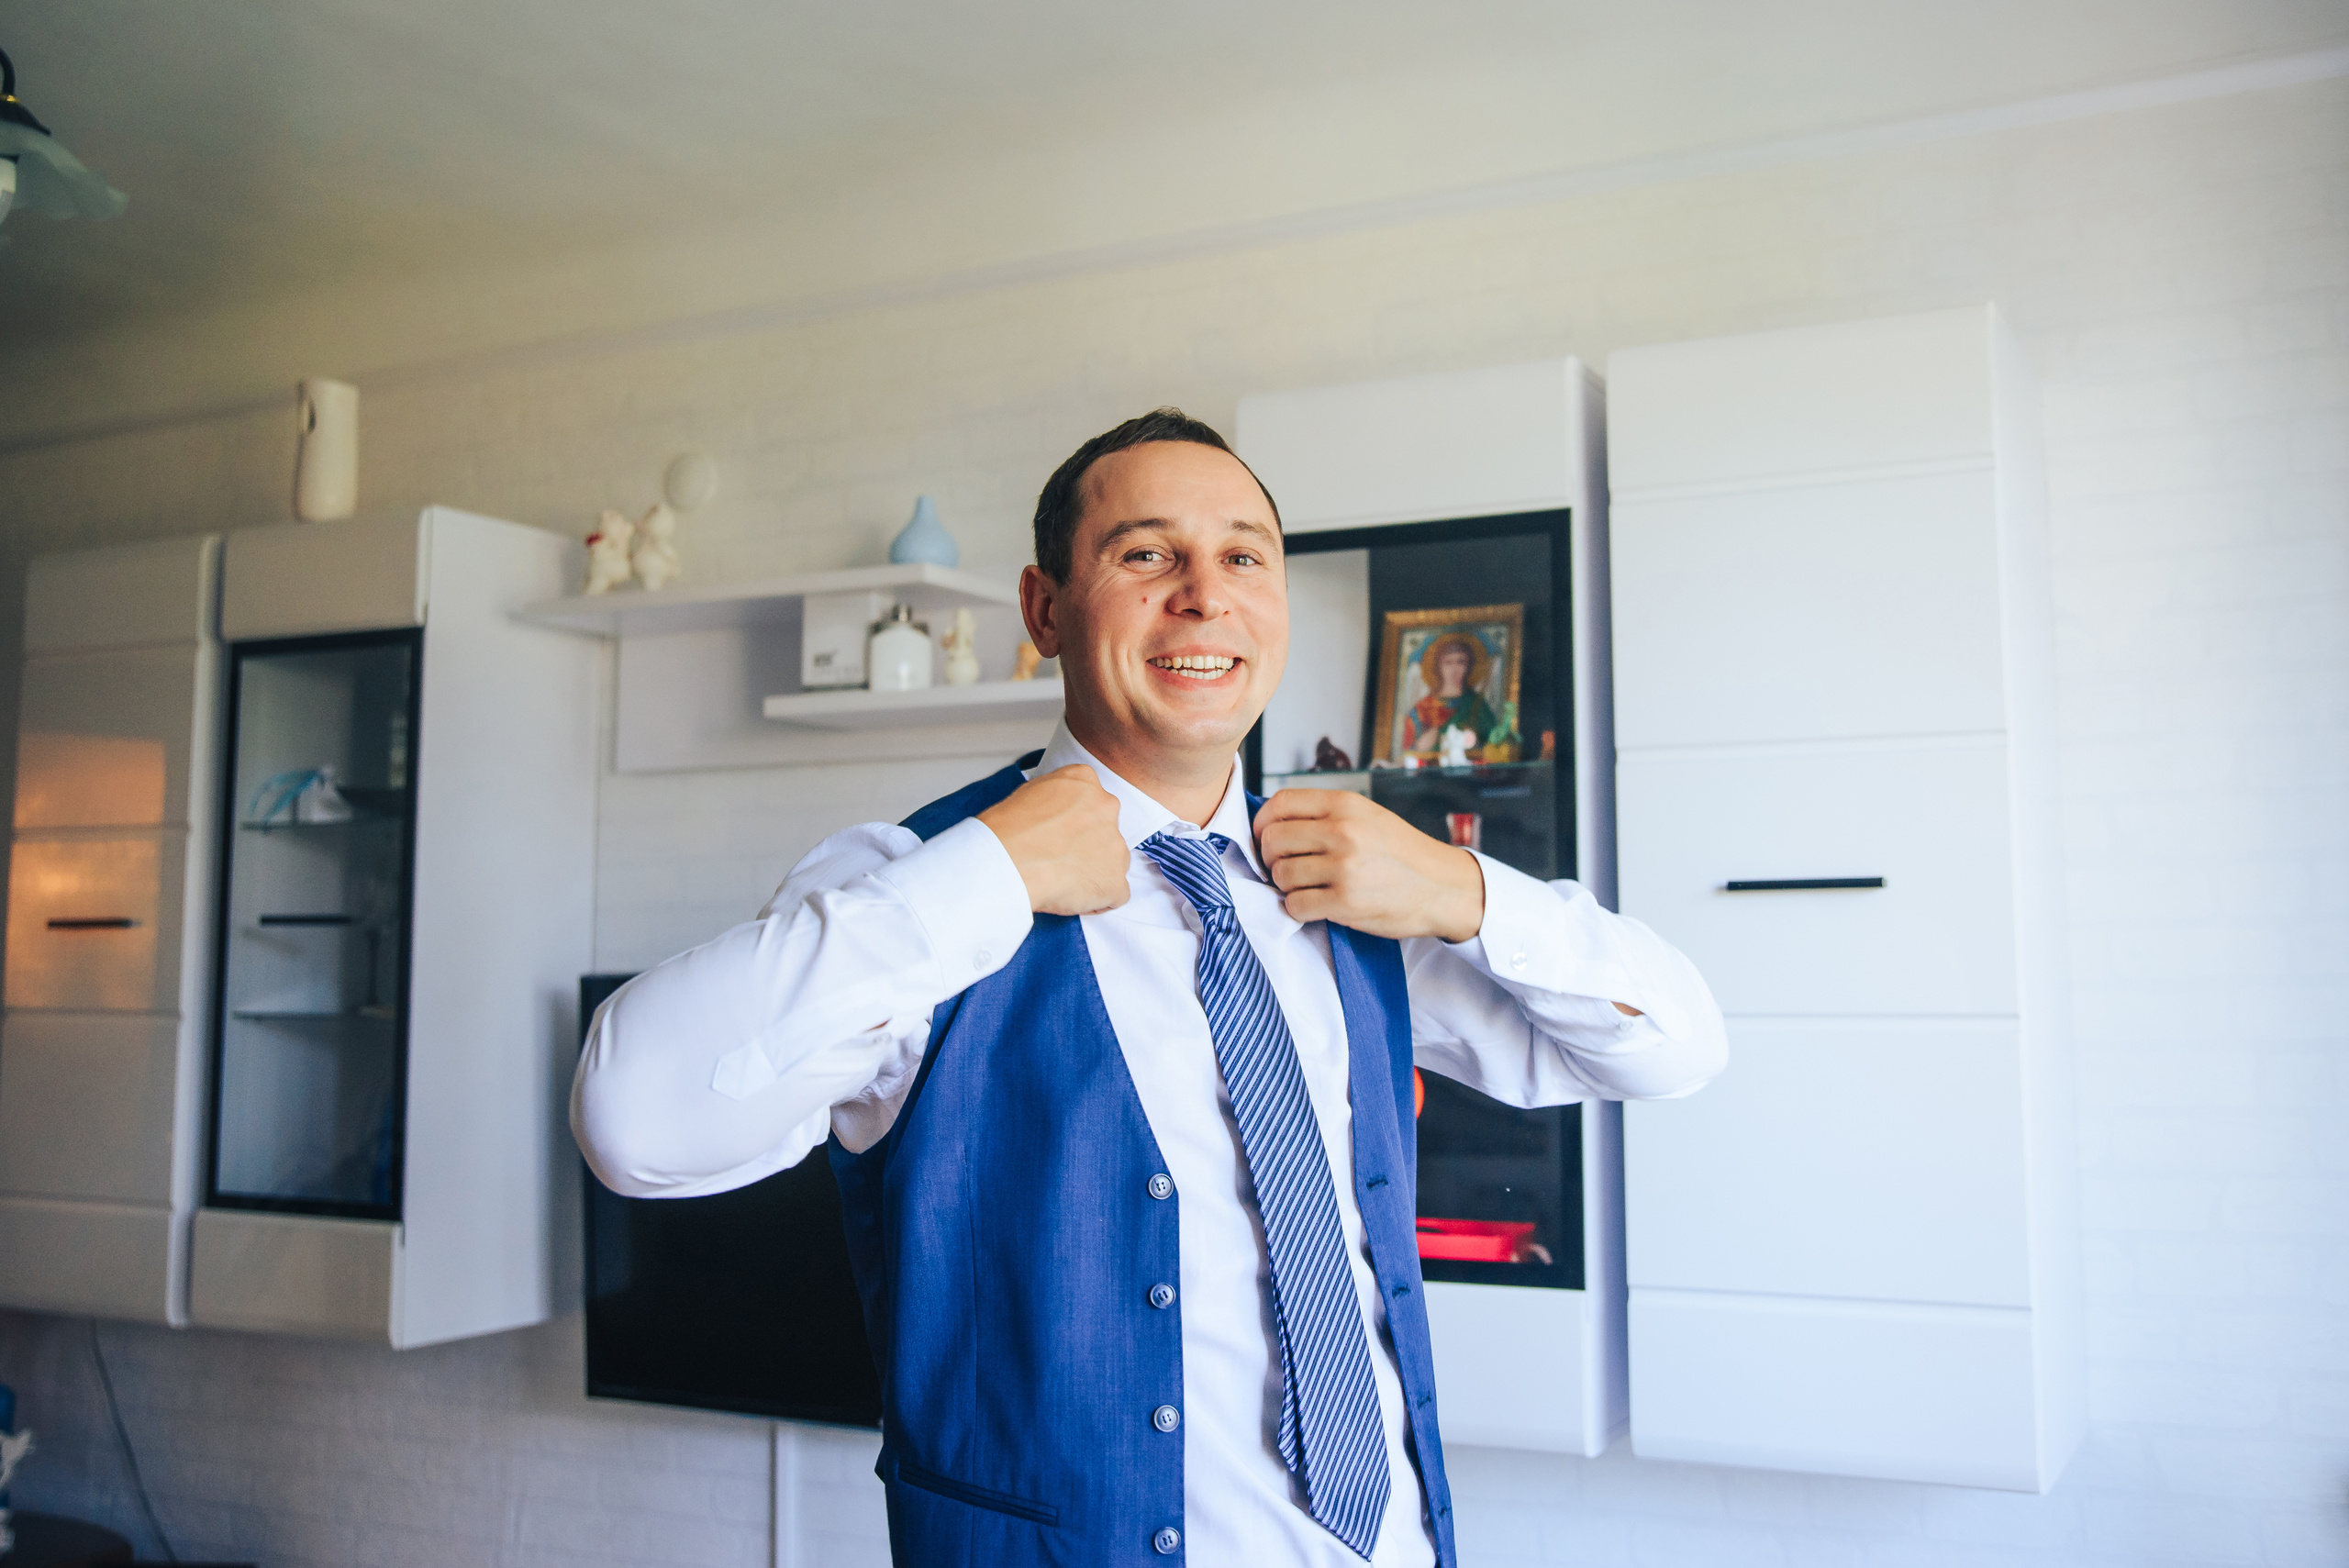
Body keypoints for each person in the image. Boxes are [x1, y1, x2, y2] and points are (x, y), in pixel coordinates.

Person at [572, 408, 1726, 1568]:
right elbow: (634, 1122)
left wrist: (1459, 886)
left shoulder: (1358, 892)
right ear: (1044, 610)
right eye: (1145, 553)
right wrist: (991, 871)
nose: (1205, 595)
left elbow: (1674, 1045)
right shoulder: (918, 886)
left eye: (1243, 557)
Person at [1398, 634, 1498, 760]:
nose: (1454, 669)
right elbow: (1406, 753)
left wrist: (1475, 742)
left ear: (1469, 667)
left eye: (1461, 662)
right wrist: (1421, 745)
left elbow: (1494, 744)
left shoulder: (1478, 705)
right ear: (1438, 667)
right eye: (1448, 663)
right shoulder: (1421, 709)